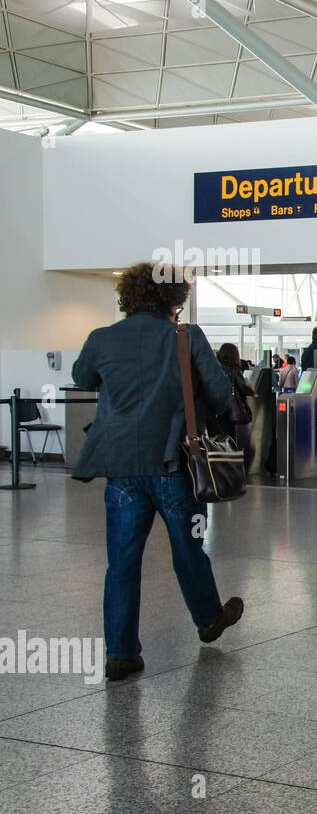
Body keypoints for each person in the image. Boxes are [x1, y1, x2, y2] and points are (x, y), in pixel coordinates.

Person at [70, 262, 244, 682]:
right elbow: (222, 395)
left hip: (121, 468)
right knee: (187, 549)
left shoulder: (102, 338)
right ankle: (207, 619)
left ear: (128, 297)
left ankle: (121, 654)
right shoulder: (186, 337)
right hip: (172, 464)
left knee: (122, 562)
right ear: (177, 298)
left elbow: (81, 377)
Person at [215, 342, 254, 438]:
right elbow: (243, 388)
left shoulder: (216, 367)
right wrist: (252, 389)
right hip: (229, 407)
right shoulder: (234, 369)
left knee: (218, 435)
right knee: (229, 435)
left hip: (216, 407)